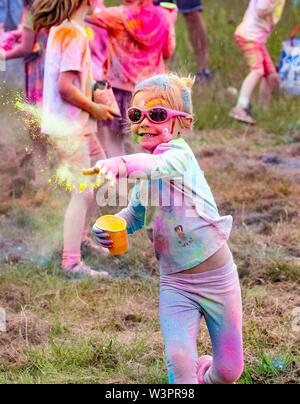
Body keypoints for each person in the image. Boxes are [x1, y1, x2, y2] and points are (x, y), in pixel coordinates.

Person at [90, 73, 244, 384]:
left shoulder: (179, 157)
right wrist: (111, 226)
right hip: (175, 283)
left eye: (156, 114)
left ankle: (208, 375)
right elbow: (135, 214)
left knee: (229, 371)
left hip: (217, 278)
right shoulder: (147, 175)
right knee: (178, 359)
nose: (144, 122)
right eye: (136, 115)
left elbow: (158, 166)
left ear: (180, 122)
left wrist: (121, 164)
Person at [32, 0, 116, 277]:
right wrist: (95, 108)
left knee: (103, 172)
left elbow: (73, 83)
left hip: (79, 125)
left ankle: (78, 238)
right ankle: (71, 262)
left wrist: (94, 90)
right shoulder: (73, 34)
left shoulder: (67, 29)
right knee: (83, 191)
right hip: (69, 127)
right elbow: (65, 88)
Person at [87, 0, 177, 157]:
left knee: (115, 143)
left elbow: (85, 14)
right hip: (152, 92)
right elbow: (168, 52)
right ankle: (146, 181)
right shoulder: (162, 17)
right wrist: (171, 23)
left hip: (120, 91)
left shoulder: (116, 15)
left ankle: (119, 180)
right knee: (148, 144)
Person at [230, 0, 286, 125]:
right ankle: (240, 108)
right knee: (257, 71)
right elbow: (261, 12)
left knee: (271, 76)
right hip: (250, 37)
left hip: (257, 40)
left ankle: (262, 112)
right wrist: (275, 5)